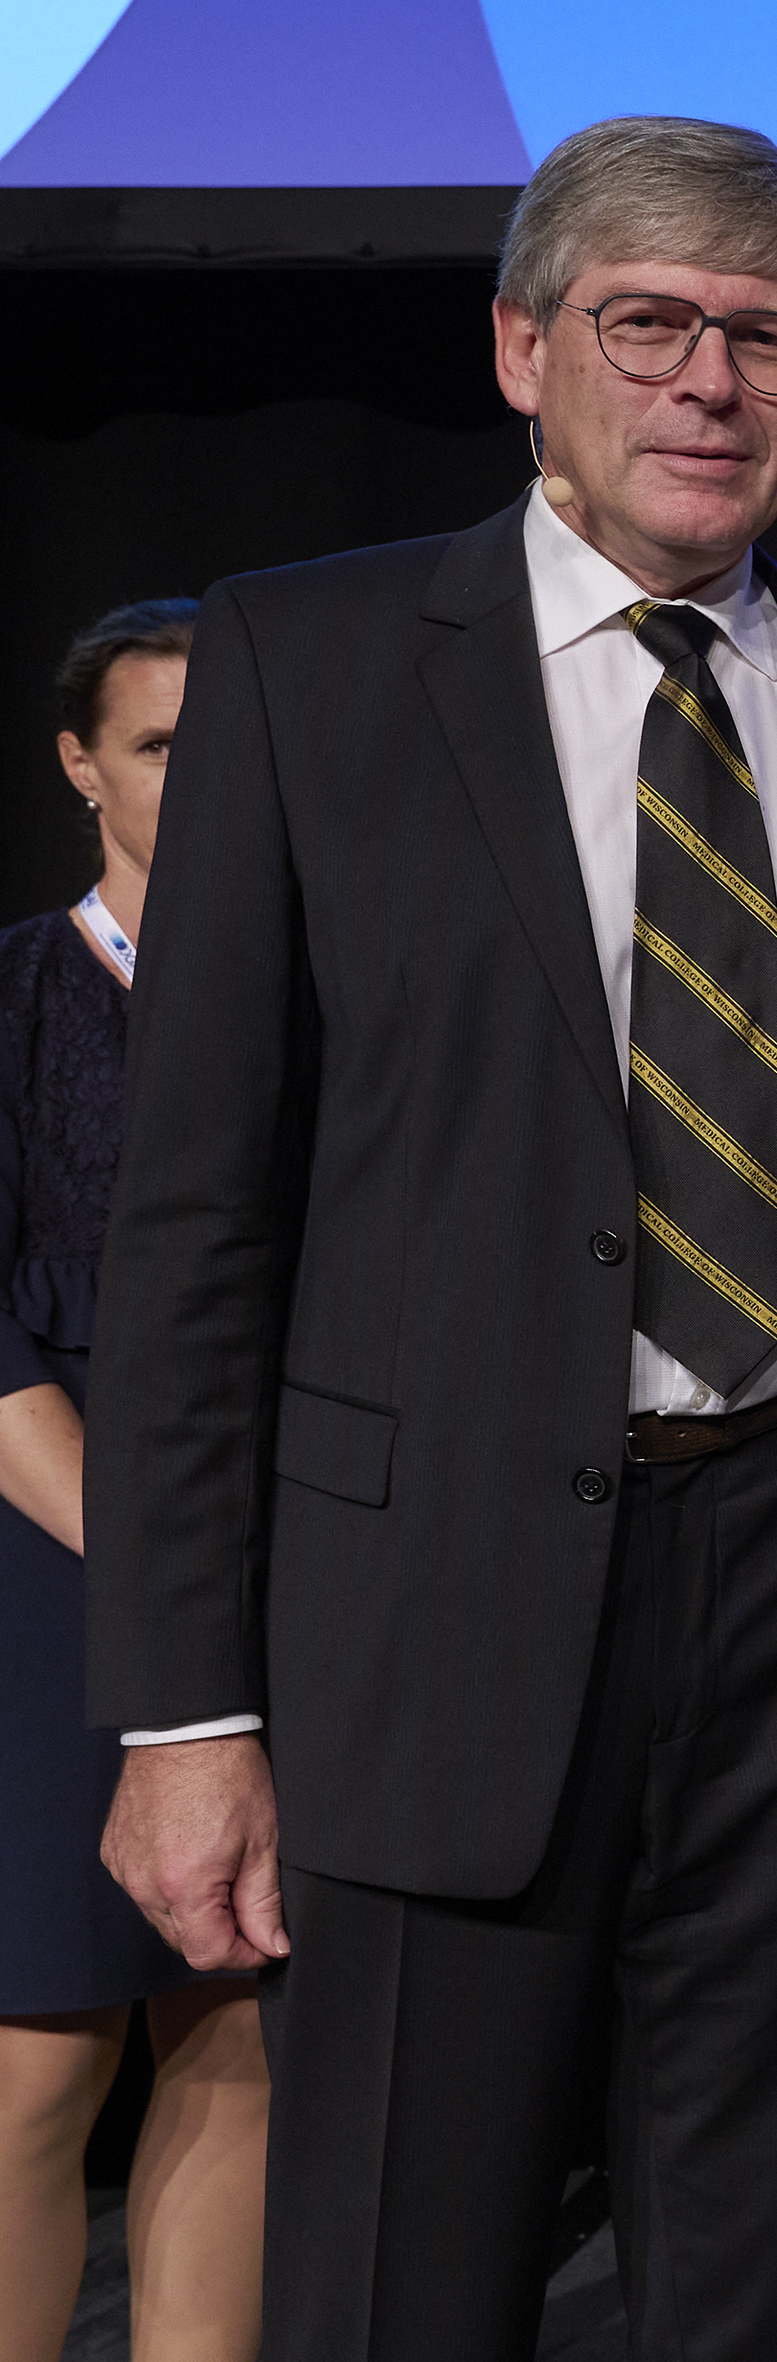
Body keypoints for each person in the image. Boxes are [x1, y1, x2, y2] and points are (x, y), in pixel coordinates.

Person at [82, 116, 777, 2358]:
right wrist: (184, 1709)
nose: (709, 380)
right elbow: (194, 1223)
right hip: (423, 1619)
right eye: (649, 323)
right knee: (402, 2282)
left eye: (765, 339)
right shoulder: (310, 667)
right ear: (523, 350)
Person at [0, 600, 265, 2362]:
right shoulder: (17, 991)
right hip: (56, 1559)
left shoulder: (324, 986)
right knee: (38, 2054)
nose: (197, 774)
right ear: (82, 766)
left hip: (280, 1549)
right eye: (158, 743)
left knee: (239, 2031)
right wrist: (154, 1554)